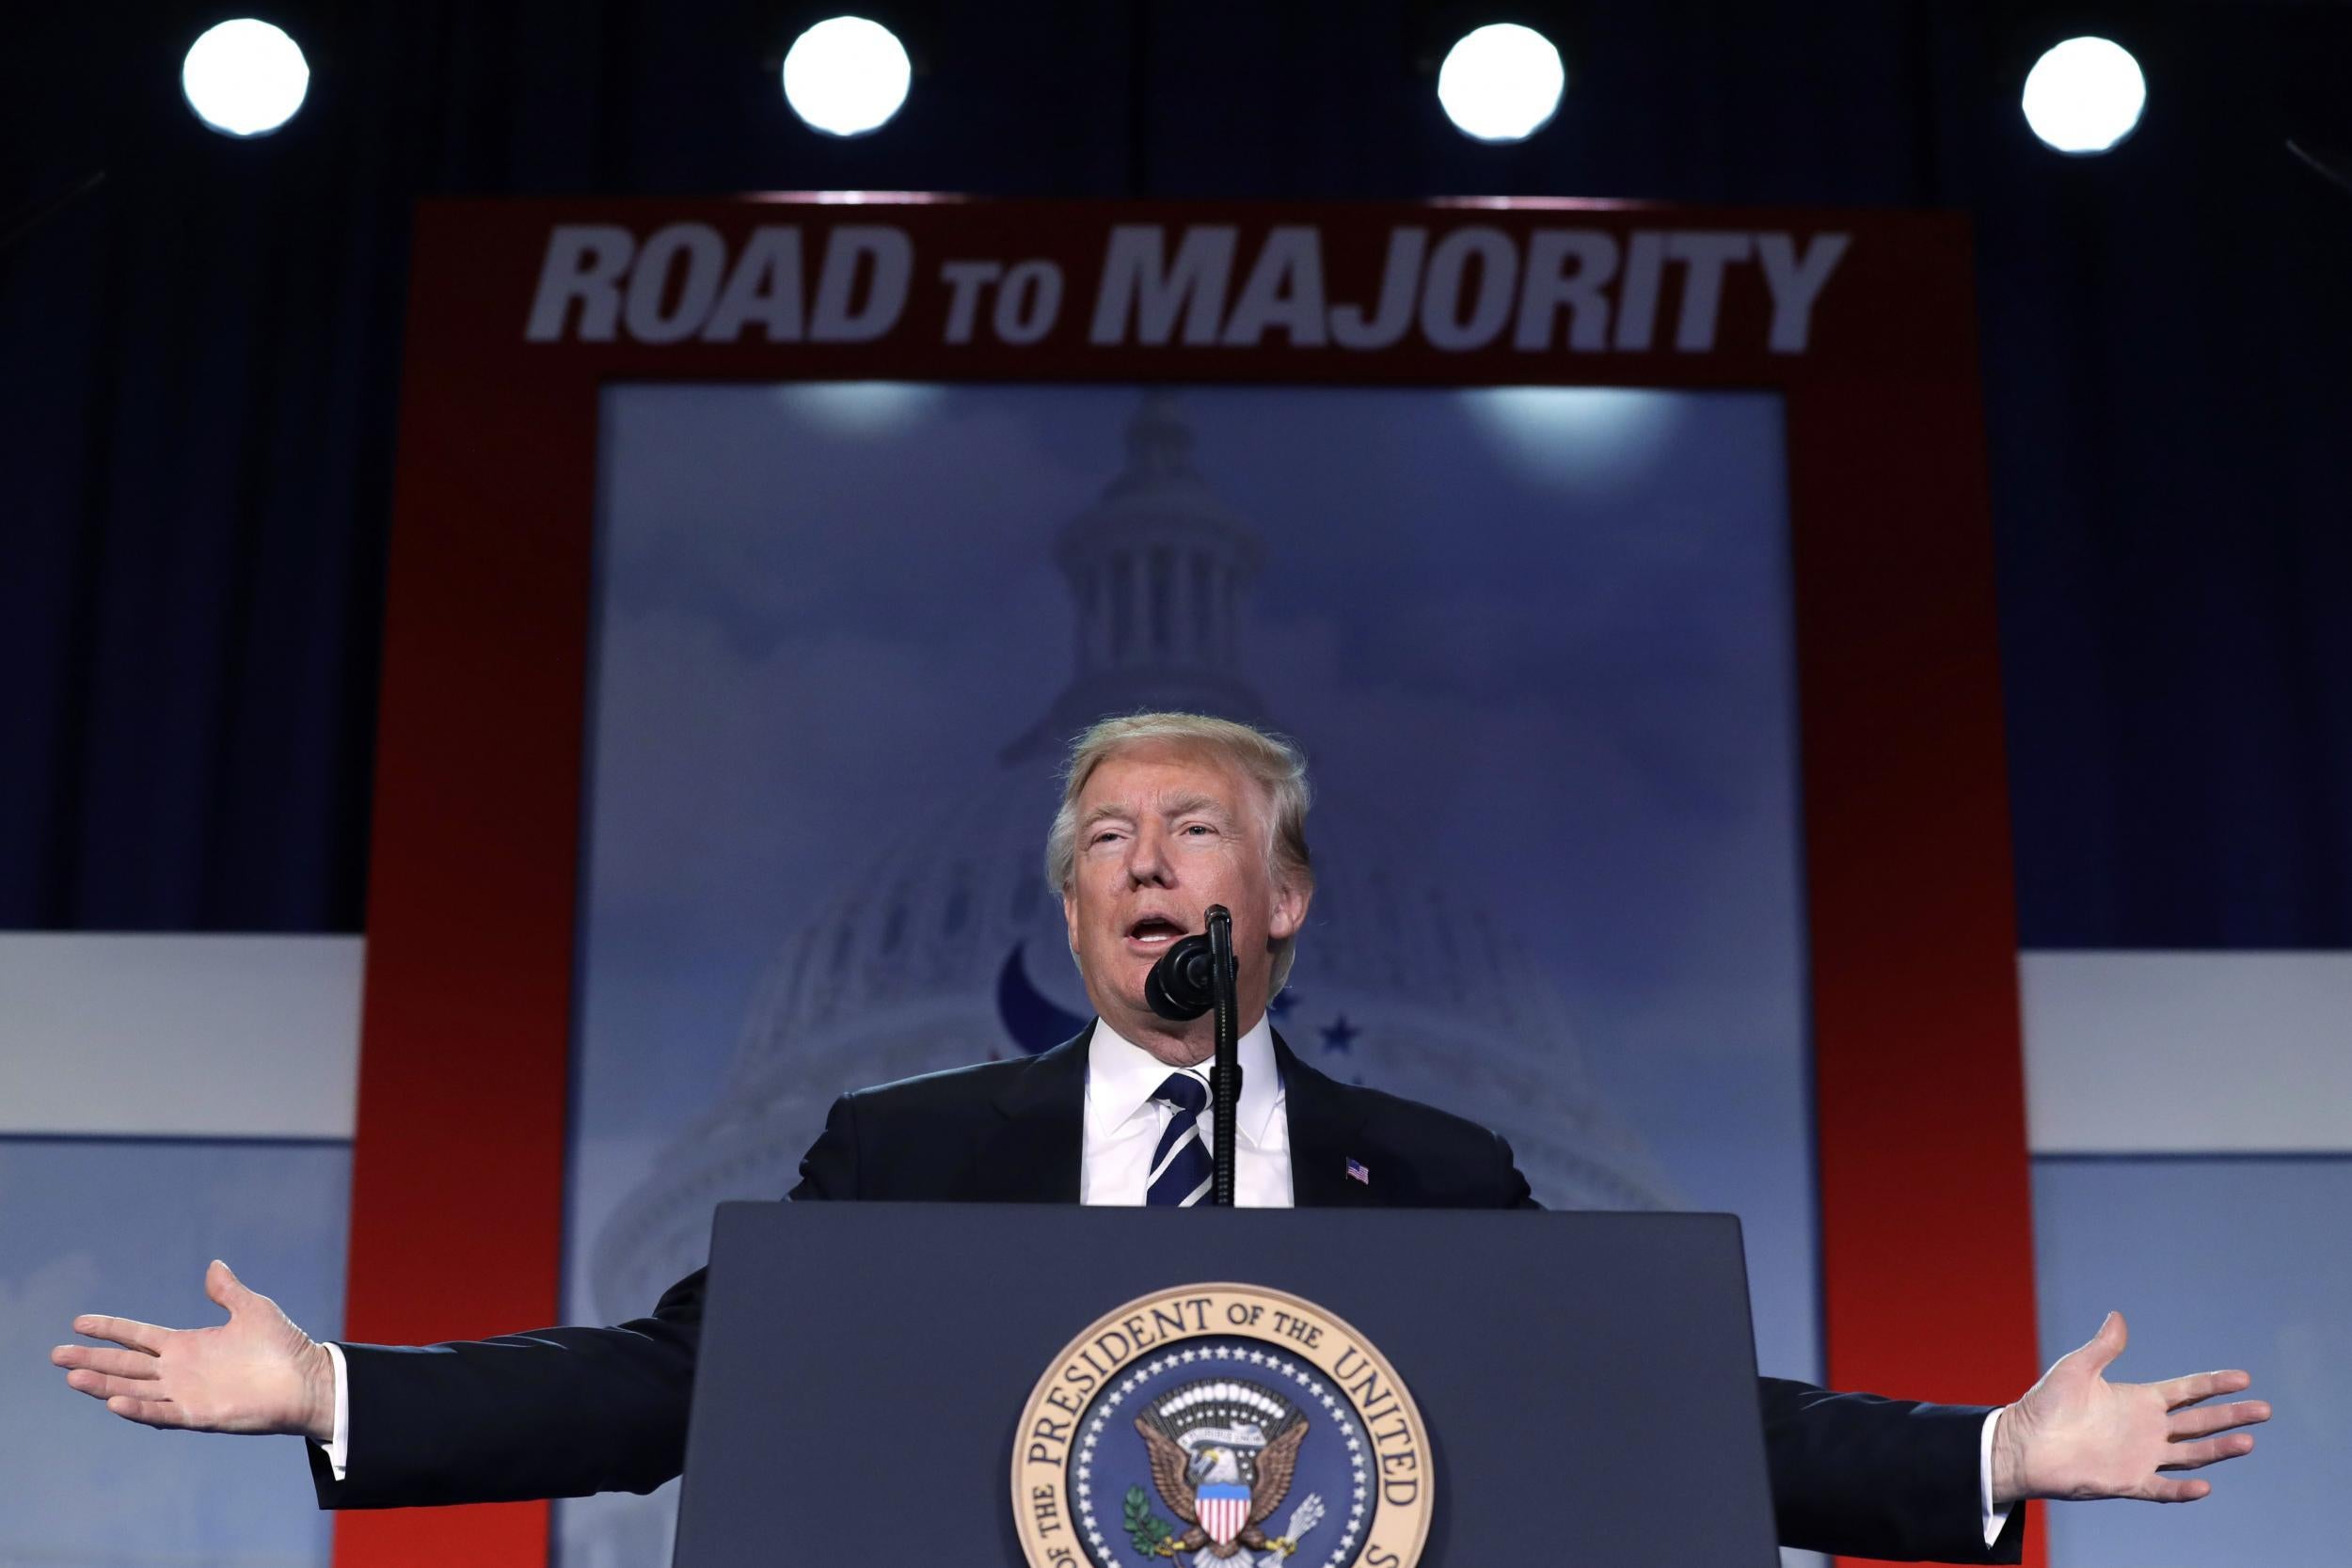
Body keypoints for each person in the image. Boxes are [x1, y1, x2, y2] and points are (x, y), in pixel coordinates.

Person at [52, 712, 2269, 1561]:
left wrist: (1989, 1452)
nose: (1141, 860)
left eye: (1191, 828)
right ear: (1067, 904)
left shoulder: (1438, 1173)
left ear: (1277, 900)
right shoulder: (909, 1154)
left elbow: (1659, 1428)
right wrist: (326, 1393)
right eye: (1102, 834)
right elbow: (674, 1387)